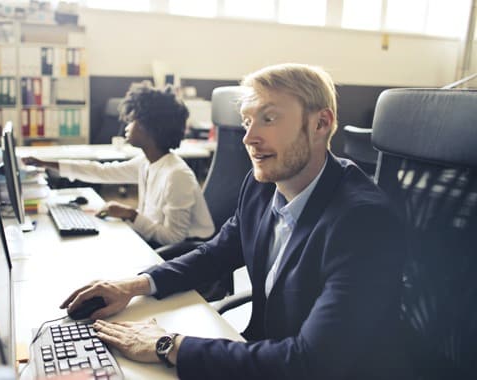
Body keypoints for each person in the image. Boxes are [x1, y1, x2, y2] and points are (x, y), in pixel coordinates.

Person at [60, 64, 407, 379]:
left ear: (321, 124)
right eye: (246, 121)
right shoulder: (261, 186)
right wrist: (131, 286)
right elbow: (216, 254)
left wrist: (168, 345)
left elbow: (311, 361)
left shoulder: (362, 221)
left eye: (269, 119)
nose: (248, 137)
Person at [24, 81, 214, 247]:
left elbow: (174, 239)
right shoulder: (147, 162)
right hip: (155, 242)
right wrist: (47, 163)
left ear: (150, 128)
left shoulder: (176, 175)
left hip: (184, 253)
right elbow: (101, 171)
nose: (127, 126)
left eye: (133, 121)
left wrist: (130, 214)